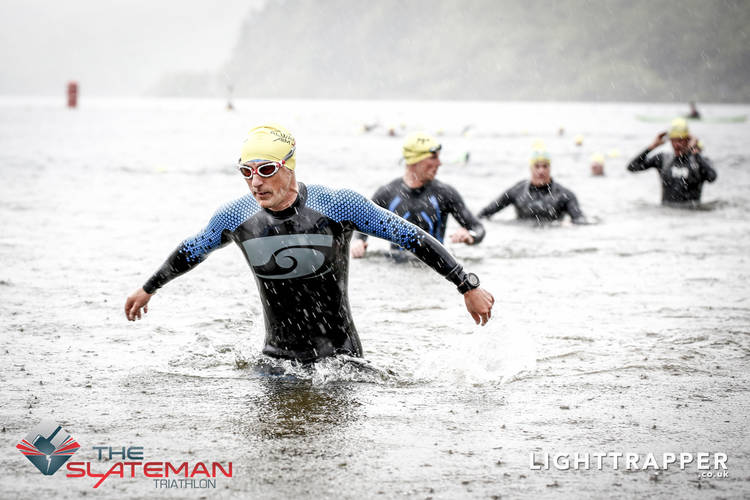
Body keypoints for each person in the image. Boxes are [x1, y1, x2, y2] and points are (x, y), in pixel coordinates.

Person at [124, 124, 494, 363]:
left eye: (266, 169)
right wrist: (148, 288)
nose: (255, 182)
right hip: (274, 361)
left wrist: (467, 285)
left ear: (289, 166)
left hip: (341, 361)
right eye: (246, 171)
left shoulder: (338, 205)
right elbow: (192, 250)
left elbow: (412, 237)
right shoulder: (235, 217)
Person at [350, 132, 485, 259]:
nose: (439, 163)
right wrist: (358, 242)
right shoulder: (387, 193)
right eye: (434, 157)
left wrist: (470, 236)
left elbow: (478, 229)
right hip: (395, 268)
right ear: (415, 161)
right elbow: (361, 225)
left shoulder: (445, 193)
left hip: (435, 270)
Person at [477, 149, 586, 224]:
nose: (541, 171)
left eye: (545, 166)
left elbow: (580, 220)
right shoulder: (517, 191)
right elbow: (485, 213)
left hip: (552, 237)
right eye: (537, 166)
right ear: (531, 168)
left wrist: (569, 224)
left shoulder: (564, 194)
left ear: (550, 168)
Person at [626, 118, 716, 205]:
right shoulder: (662, 159)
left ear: (688, 140)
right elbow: (632, 167)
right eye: (673, 140)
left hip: (691, 213)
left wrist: (696, 153)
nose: (677, 145)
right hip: (667, 213)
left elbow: (712, 177)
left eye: (680, 140)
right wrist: (652, 146)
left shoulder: (698, 162)